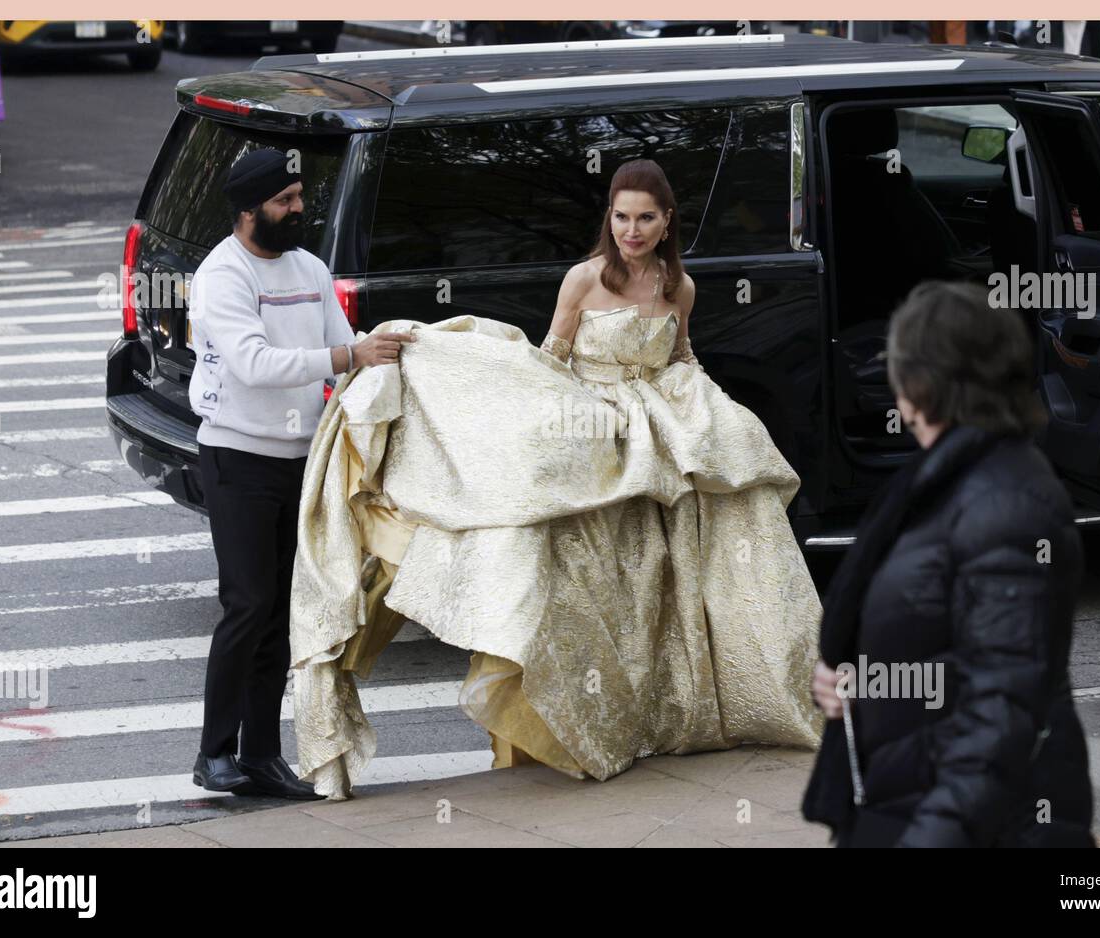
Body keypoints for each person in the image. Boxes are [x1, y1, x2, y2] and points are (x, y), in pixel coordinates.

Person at [289, 159, 824, 798]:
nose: (632, 230)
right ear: (609, 218)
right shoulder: (584, 278)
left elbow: (682, 356)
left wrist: (705, 413)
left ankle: (674, 711)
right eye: (621, 216)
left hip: (660, 438)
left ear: (666, 222)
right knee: (584, 581)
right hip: (592, 436)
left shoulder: (678, 285)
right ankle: (576, 723)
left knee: (661, 578)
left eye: (645, 218)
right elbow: (550, 363)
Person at [802, 280, 1095, 847]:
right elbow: (934, 633)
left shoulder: (1005, 504)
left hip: (971, 822)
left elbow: (1001, 710)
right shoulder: (945, 478)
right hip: (910, 792)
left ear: (921, 383)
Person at [187, 148, 412, 798]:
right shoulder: (221, 276)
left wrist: (389, 352)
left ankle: (260, 754)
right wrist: (347, 352)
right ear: (249, 208)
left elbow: (349, 354)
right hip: (236, 457)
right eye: (285, 201)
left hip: (302, 462)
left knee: (282, 612)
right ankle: (213, 753)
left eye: (299, 197)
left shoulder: (309, 268)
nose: (298, 210)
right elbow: (255, 363)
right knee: (247, 603)